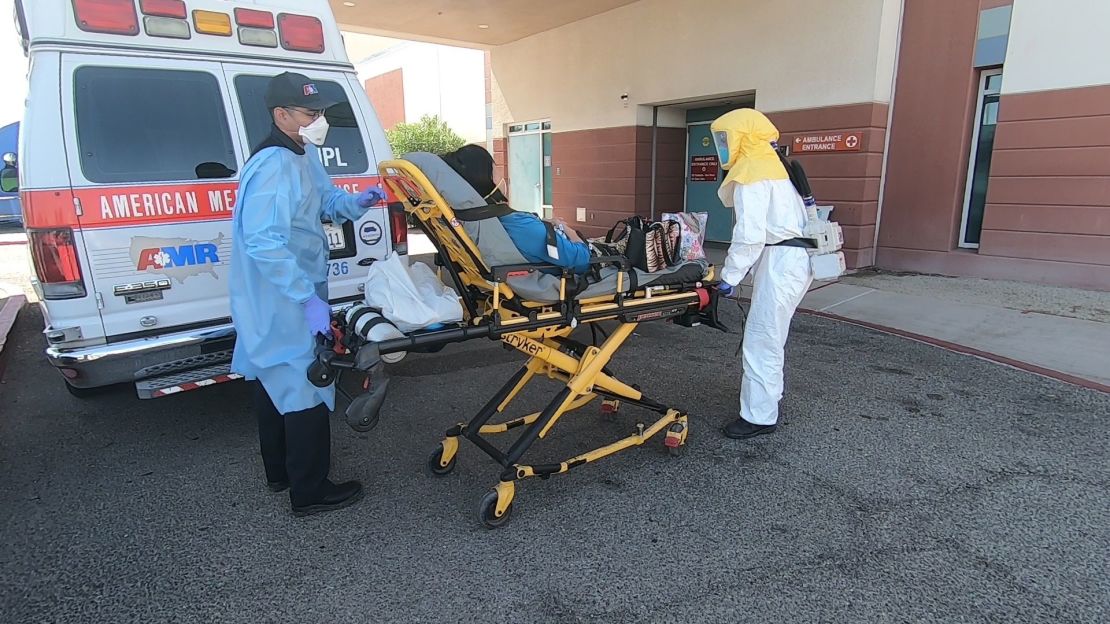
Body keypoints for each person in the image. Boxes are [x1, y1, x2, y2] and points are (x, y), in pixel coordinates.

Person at [229, 72, 384, 516]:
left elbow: (326, 203)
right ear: (282, 115)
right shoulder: (274, 164)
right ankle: (310, 491)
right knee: (305, 386)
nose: (319, 121)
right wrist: (306, 298)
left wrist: (359, 202)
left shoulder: (301, 154)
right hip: (281, 297)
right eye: (310, 113)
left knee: (271, 380)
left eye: (320, 113)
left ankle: (280, 473)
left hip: (286, 293)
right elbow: (262, 241)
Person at [710, 109, 814, 440]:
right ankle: (767, 399)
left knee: (762, 339)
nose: (722, 147)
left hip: (781, 263)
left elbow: (750, 235)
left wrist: (729, 277)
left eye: (724, 138)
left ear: (741, 136)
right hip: (792, 260)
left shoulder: (753, 173)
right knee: (769, 337)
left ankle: (759, 416)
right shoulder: (782, 168)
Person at [442, 144, 592, 274]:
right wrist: (564, 227)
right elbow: (582, 260)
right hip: (568, 272)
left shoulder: (475, 221)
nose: (501, 174)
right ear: (486, 177)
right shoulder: (520, 226)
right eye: (495, 168)